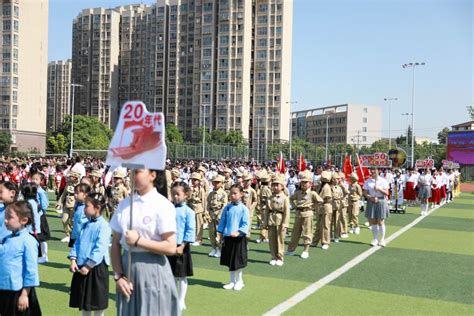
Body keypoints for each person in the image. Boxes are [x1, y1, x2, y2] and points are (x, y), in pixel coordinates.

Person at [110, 169, 179, 315]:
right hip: (127, 270)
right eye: (131, 172)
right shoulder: (124, 205)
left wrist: (139, 241)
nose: (133, 175)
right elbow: (115, 243)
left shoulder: (162, 205)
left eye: (138, 171)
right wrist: (118, 276)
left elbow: (171, 246)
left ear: (152, 175)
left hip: (153, 271)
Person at [68, 193, 111, 316]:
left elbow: (100, 248)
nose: (84, 208)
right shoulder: (86, 224)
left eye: (87, 206)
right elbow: (77, 242)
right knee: (84, 302)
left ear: (97, 208)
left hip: (96, 268)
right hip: (82, 266)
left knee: (97, 303)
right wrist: (73, 259)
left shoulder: (104, 226)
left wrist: (88, 265)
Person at [0, 201, 41, 316]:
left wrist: (24, 295)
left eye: (10, 217)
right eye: (5, 217)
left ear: (24, 220)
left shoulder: (28, 241)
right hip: (3, 289)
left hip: (17, 292)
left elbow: (31, 271)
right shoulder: (7, 238)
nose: (5, 220)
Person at [167, 182, 196, 312]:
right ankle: (171, 298)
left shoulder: (189, 211)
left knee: (182, 275)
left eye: (178, 194)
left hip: (181, 247)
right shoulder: (168, 209)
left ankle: (181, 299)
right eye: (173, 194)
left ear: (186, 195)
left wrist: (182, 246)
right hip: (168, 246)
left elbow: (190, 231)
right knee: (170, 274)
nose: (175, 196)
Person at [217, 184, 249, 291]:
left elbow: (245, 224)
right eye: (231, 193)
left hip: (239, 238)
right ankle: (232, 281)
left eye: (235, 193)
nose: (233, 195)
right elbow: (222, 222)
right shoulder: (227, 208)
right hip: (228, 237)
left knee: (237, 261)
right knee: (229, 260)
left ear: (241, 194)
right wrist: (220, 234)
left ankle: (239, 281)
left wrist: (238, 232)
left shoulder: (244, 209)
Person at [287, 171, 322, 259]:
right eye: (302, 182)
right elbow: (291, 199)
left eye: (306, 182)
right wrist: (294, 206)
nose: (304, 184)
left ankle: (306, 250)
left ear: (310, 183)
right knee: (295, 232)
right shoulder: (298, 193)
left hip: (308, 213)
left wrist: (313, 207)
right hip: (298, 213)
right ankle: (291, 250)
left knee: (307, 232)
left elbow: (320, 201)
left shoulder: (312, 193)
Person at [264, 174, 290, 266]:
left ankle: (280, 257)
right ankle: (273, 256)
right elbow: (267, 211)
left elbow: (287, 212)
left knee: (280, 239)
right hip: (271, 219)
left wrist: (285, 224)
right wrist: (265, 222)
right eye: (273, 185)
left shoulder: (285, 198)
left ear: (282, 186)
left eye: (277, 185)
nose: (275, 187)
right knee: (272, 239)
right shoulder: (270, 198)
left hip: (280, 220)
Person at [363, 168, 390, 247]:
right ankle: (375, 239)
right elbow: (365, 193)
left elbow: (386, 193)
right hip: (371, 201)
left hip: (381, 201)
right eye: (372, 171)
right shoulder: (368, 181)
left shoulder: (383, 181)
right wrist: (370, 198)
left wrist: (379, 189)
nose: (372, 172)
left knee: (380, 221)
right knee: (373, 221)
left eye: (374, 170)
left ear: (378, 171)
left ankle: (382, 239)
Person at [57, 171, 81, 243]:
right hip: (67, 204)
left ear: (76, 178)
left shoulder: (79, 185)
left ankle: (75, 236)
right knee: (64, 220)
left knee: (73, 221)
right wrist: (60, 202)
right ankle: (68, 235)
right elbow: (64, 193)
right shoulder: (68, 184)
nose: (70, 178)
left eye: (72, 177)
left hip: (74, 204)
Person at [207, 175, 228, 258]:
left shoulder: (223, 194)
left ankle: (219, 249)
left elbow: (224, 205)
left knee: (219, 234)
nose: (215, 184)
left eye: (217, 182)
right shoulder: (211, 194)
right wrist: (207, 214)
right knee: (211, 233)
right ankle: (213, 248)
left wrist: (219, 215)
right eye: (214, 182)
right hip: (211, 215)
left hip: (219, 215)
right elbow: (208, 204)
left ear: (222, 183)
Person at [312, 171, 333, 249]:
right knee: (318, 224)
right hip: (320, 207)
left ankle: (325, 242)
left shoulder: (327, 186)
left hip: (326, 206)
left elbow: (321, 197)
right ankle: (315, 241)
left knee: (325, 225)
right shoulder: (320, 185)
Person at [188, 172, 207, 246]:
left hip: (198, 208)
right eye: (192, 179)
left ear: (199, 181)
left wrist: (204, 212)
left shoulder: (201, 190)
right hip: (191, 207)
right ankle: (192, 238)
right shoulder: (190, 189)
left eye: (195, 180)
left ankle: (198, 239)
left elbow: (204, 201)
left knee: (199, 225)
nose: (194, 181)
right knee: (192, 224)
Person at [256, 173, 272, 243]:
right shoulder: (266, 189)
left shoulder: (262, 188)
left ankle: (264, 236)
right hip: (266, 206)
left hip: (263, 206)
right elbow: (269, 198)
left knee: (264, 222)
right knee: (265, 222)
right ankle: (263, 237)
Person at [242, 173, 257, 240]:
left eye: (248, 180)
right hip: (241, 210)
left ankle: (246, 243)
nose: (247, 182)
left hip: (248, 211)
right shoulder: (240, 190)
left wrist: (251, 208)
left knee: (247, 227)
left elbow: (255, 201)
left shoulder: (252, 191)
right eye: (245, 180)